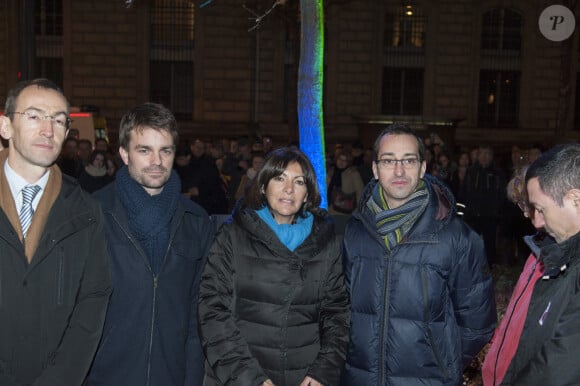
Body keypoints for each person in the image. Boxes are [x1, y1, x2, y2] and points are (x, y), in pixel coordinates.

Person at [341, 124, 496, 386]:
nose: (399, 170)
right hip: (359, 377)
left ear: (423, 168)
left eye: (408, 160)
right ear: (376, 169)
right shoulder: (355, 231)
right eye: (389, 161)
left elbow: (477, 322)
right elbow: (341, 309)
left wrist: (442, 365)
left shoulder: (456, 236)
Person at [198, 147, 350, 386]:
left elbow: (337, 313)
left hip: (304, 377)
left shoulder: (326, 241)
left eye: (299, 182)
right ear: (262, 186)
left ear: (308, 194)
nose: (288, 189)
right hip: (240, 375)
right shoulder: (233, 234)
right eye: (279, 178)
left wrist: (324, 371)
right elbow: (212, 311)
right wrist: (251, 379)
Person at [86, 103, 214, 385]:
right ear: (123, 154)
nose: (156, 160)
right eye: (144, 150)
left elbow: (199, 313)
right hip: (105, 375)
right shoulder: (94, 215)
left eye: (165, 150)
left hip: (171, 374)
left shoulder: (196, 221)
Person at [0, 78, 111, 385]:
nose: (48, 130)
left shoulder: (86, 212)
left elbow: (92, 302)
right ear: (6, 126)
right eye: (34, 116)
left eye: (59, 120)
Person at [484, 143, 580, 385]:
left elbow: (556, 366)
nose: (534, 221)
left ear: (574, 199)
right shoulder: (554, 254)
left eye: (538, 208)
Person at [481, 164, 547, 385]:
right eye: (522, 204)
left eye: (532, 204)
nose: (528, 215)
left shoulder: (558, 261)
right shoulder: (536, 254)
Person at [462, 144, 507, 267]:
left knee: (489, 244)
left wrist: (496, 210)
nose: (484, 157)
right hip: (472, 215)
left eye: (487, 154)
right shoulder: (471, 171)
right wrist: (464, 212)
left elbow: (502, 194)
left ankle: (489, 267)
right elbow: (465, 192)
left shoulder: (498, 173)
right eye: (482, 153)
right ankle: (470, 266)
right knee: (471, 243)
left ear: (491, 156)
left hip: (490, 216)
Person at [326, 149, 364, 214]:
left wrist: (360, 211)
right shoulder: (331, 171)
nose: (341, 162)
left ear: (348, 162)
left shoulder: (353, 173)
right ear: (336, 160)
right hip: (330, 209)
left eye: (345, 160)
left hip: (346, 212)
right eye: (340, 159)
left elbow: (360, 192)